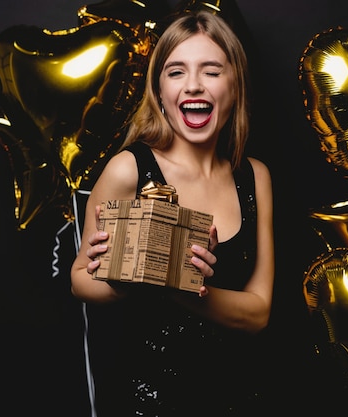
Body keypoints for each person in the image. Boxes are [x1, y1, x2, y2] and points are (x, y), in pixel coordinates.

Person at [70, 10, 274, 417]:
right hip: (146, 402)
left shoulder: (256, 177)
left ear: (235, 86)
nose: (194, 85)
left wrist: (187, 287)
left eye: (212, 71)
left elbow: (258, 312)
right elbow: (80, 281)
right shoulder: (128, 169)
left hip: (238, 399)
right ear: (159, 92)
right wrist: (149, 268)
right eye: (176, 72)